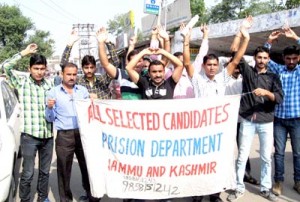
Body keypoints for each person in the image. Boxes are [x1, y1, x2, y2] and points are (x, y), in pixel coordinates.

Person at [184, 16, 252, 202]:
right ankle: (197, 193)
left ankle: (215, 194)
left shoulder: (223, 77)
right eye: (209, 65)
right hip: (200, 128)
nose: (212, 67)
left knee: (219, 162)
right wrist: (186, 39)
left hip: (220, 129)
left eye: (215, 65)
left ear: (218, 66)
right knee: (199, 162)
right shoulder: (197, 80)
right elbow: (187, 63)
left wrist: (245, 37)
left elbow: (237, 59)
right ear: (204, 66)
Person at [226, 44, 284, 201]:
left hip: (266, 120)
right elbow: (235, 51)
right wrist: (245, 35)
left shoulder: (273, 77)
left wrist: (266, 93)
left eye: (265, 58)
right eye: (259, 57)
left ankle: (265, 189)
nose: (262, 60)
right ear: (254, 58)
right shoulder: (248, 72)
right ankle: (239, 187)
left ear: (268, 59)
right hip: (247, 119)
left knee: (266, 157)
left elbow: (279, 98)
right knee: (242, 155)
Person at [2, 44, 53, 202]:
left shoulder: (50, 85)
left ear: (45, 69)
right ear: (30, 68)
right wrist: (25, 52)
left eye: (42, 68)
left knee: (45, 172)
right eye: (36, 68)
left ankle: (43, 198)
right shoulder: (21, 83)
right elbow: (5, 66)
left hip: (48, 135)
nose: (39, 72)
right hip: (29, 137)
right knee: (28, 173)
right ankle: (25, 199)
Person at [45, 62, 100, 202]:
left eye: (74, 74)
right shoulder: (53, 92)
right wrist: (50, 108)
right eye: (68, 74)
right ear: (62, 74)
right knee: (63, 170)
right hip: (64, 136)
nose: (71, 77)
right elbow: (49, 118)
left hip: (83, 134)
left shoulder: (82, 91)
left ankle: (92, 196)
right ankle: (65, 199)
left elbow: (91, 112)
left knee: (88, 167)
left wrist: (94, 101)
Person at [264, 27, 300, 196]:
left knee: (298, 153)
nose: (291, 61)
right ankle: (278, 182)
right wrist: (269, 42)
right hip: (279, 119)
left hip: (297, 120)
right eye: (288, 59)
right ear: (284, 59)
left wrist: (296, 38)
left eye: (294, 58)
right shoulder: (279, 70)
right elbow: (264, 58)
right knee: (278, 153)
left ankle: (298, 182)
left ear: (298, 58)